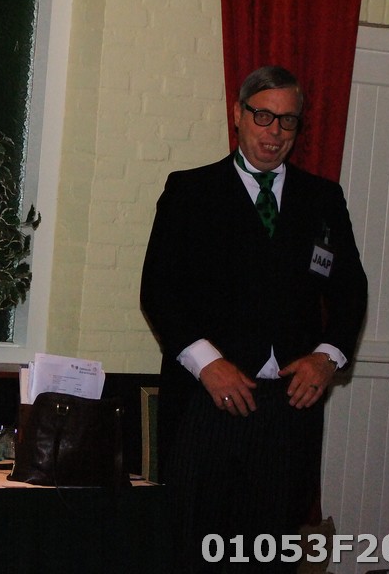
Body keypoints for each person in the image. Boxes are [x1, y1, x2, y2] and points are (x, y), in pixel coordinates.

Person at [140, 65, 368, 573]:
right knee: (196, 555)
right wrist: (207, 363)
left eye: (287, 121)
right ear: (237, 115)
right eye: (263, 116)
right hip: (206, 406)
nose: (274, 132)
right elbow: (158, 289)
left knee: (272, 557)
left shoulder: (322, 198)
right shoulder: (190, 190)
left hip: (288, 411)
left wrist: (328, 357)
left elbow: (350, 290)